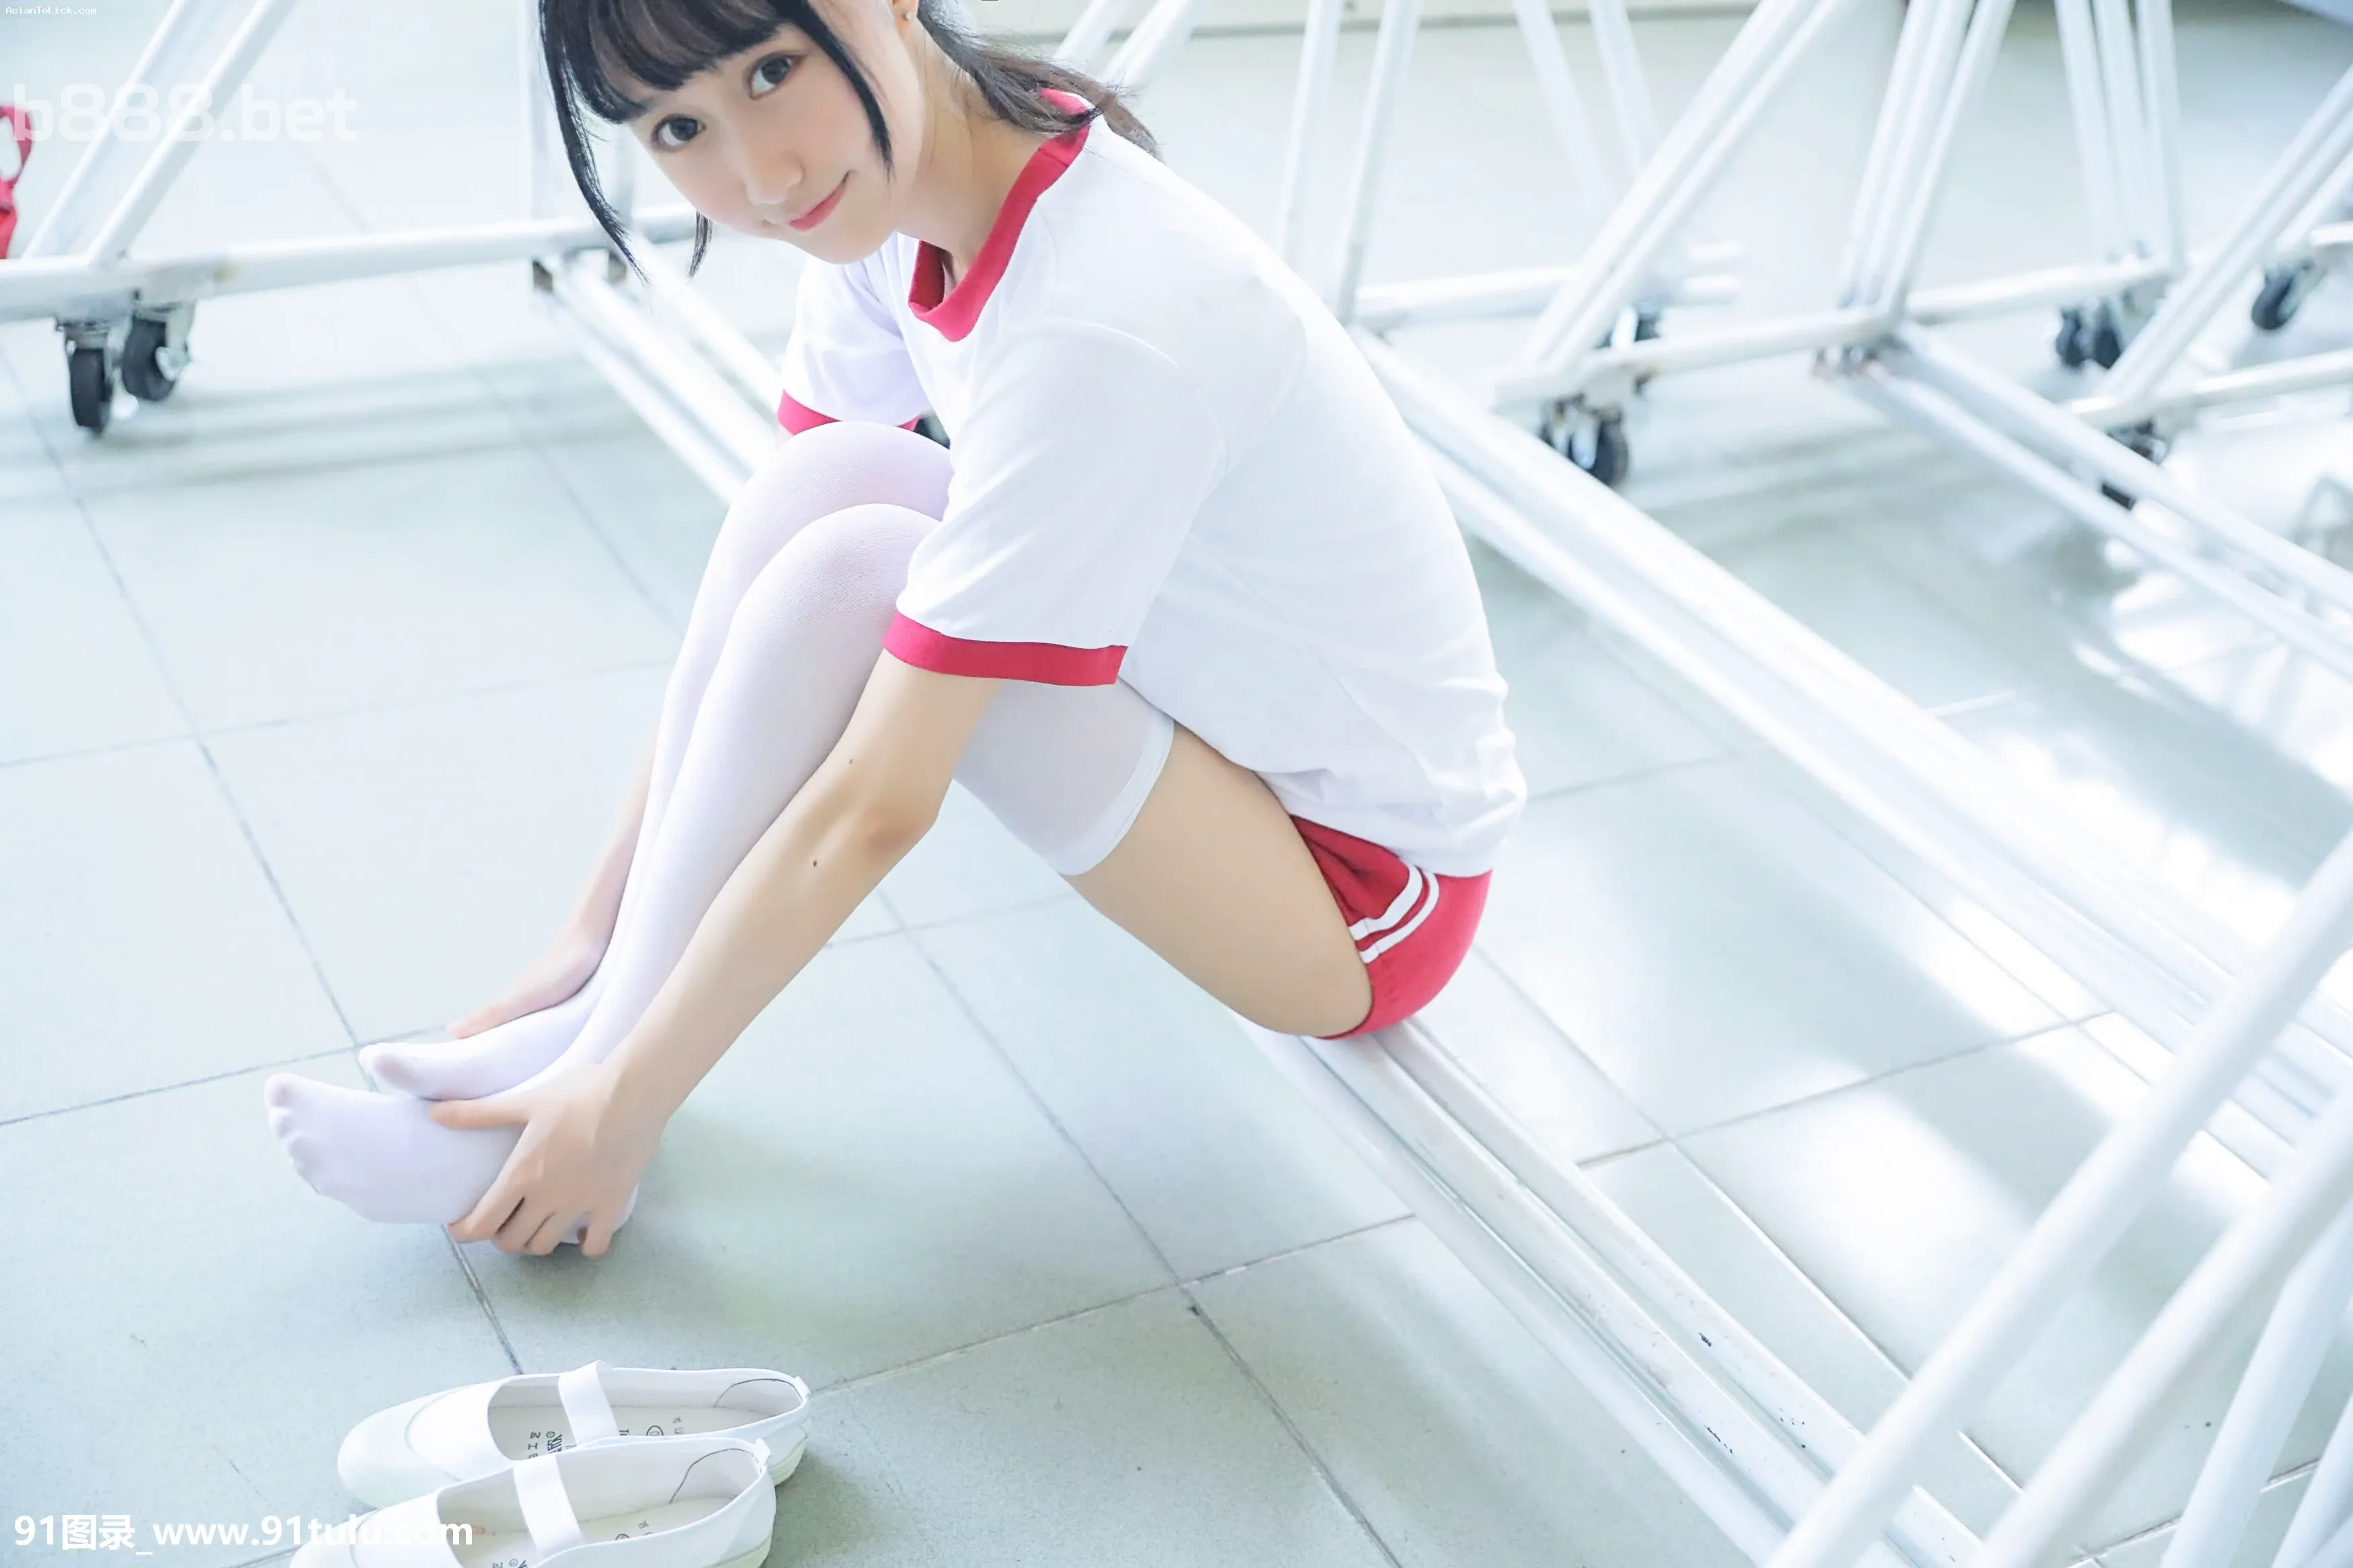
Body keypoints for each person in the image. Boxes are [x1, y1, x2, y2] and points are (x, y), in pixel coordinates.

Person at [262, 0, 1525, 1258]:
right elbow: (767, 579)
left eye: (773, 70)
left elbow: (878, 800)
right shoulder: (895, 205)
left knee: (870, 566)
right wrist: (588, 936)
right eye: (679, 127)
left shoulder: (1099, 314)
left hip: (1358, 893)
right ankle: (590, 1025)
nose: (763, 176)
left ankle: (595, 1081)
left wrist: (628, 1110)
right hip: (1213, 743)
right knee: (831, 488)